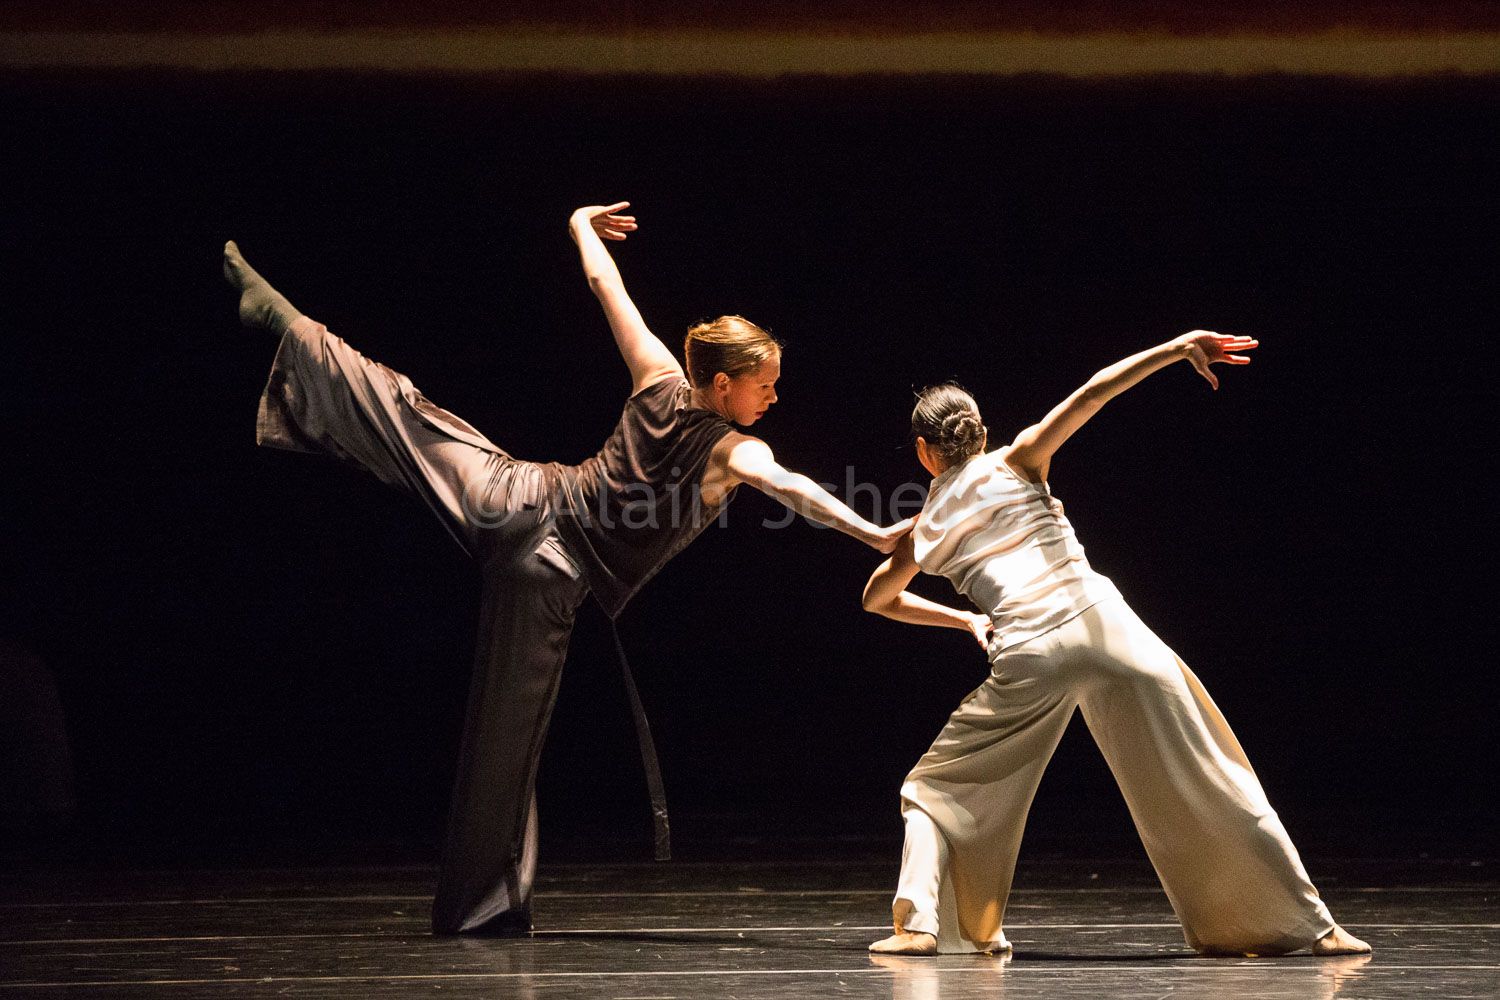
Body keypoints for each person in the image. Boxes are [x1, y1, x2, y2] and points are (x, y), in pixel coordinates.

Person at [224, 202, 910, 936]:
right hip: (546, 570)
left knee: (410, 416)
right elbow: (792, 488)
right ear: (721, 386)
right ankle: (478, 907)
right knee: (507, 737)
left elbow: (605, 285)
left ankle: (291, 327)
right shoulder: (735, 450)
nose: (774, 396)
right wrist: (872, 532)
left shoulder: (657, 373)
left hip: (514, 493)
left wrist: (580, 224)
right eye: (764, 385)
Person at [860, 331, 1371, 957]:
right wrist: (1176, 348)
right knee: (1209, 772)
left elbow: (877, 598)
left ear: (923, 452)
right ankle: (1318, 928)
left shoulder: (925, 529)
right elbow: (1094, 392)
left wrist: (965, 620)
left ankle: (918, 927)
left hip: (1030, 654)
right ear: (982, 433)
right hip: (1110, 630)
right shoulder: (1018, 460)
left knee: (934, 789)